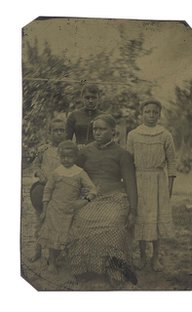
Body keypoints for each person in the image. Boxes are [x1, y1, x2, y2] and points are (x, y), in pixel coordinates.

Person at [68, 114, 138, 287]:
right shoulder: (84, 152)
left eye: (102, 129)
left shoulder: (123, 154)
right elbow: (72, 173)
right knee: (81, 219)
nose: (97, 132)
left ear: (113, 132)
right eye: (95, 129)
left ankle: (114, 268)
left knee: (113, 222)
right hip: (90, 198)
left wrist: (133, 211)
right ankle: (84, 268)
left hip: (114, 198)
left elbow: (130, 184)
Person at [127, 100, 176, 272]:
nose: (151, 115)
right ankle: (142, 257)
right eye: (147, 112)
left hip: (157, 181)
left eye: (155, 112)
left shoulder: (165, 135)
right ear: (142, 113)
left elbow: (172, 162)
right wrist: (129, 185)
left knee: (155, 219)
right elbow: (129, 162)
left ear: (159, 114)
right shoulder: (133, 135)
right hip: (139, 179)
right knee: (141, 218)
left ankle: (155, 257)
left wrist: (169, 185)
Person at [38, 140, 97, 273]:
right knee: (53, 236)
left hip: (71, 211)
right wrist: (44, 209)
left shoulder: (80, 172)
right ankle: (52, 262)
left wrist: (84, 201)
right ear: (59, 156)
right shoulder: (56, 172)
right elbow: (47, 190)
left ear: (75, 157)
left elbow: (93, 189)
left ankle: (70, 260)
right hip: (55, 210)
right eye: (63, 156)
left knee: (68, 236)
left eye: (69, 156)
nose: (66, 159)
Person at [29, 118, 66, 262]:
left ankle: (57, 253)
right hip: (44, 188)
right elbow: (36, 165)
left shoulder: (68, 149)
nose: (58, 133)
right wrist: (40, 173)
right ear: (49, 133)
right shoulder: (43, 149)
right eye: (55, 130)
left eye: (61, 130)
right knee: (40, 219)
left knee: (58, 222)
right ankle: (37, 250)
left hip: (61, 190)